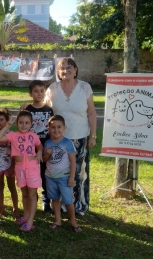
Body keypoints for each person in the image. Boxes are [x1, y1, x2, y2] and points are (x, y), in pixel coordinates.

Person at [45, 57, 97, 216]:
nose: (66, 71)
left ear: (75, 70)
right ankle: (59, 206)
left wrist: (93, 135)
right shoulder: (52, 88)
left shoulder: (85, 87)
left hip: (79, 137)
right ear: (58, 72)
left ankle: (79, 205)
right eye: (62, 68)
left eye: (69, 67)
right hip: (57, 139)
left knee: (79, 174)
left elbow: (92, 113)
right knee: (58, 172)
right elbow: (45, 110)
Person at [0, 111, 43, 232]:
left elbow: (39, 146)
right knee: (24, 193)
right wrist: (7, 126)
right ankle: (26, 216)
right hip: (19, 168)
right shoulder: (13, 135)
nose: (24, 125)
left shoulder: (33, 135)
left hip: (32, 168)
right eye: (21, 122)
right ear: (17, 123)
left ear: (31, 124)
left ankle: (30, 222)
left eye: (27, 123)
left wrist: (40, 152)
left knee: (32, 195)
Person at [43, 115, 81, 233]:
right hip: (50, 177)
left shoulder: (67, 143)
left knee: (68, 201)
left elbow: (73, 161)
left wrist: (71, 177)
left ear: (64, 128)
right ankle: (57, 220)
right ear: (49, 129)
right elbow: (44, 160)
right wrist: (47, 155)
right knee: (54, 199)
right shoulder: (47, 143)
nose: (56, 130)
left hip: (64, 177)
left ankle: (73, 221)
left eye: (59, 127)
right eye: (53, 127)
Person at [24, 80, 54, 213]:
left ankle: (46, 201)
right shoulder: (27, 109)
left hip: (45, 148)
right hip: (30, 150)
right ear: (31, 93)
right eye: (36, 91)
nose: (39, 94)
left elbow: (53, 129)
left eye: (42, 91)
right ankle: (33, 200)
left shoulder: (49, 109)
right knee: (32, 176)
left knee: (45, 175)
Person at [0, 108, 19, 218]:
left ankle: (15, 207)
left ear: (7, 121)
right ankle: (1, 207)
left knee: (12, 187)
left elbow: (15, 151)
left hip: (9, 166)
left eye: (1, 119)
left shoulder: (11, 135)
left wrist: (12, 165)